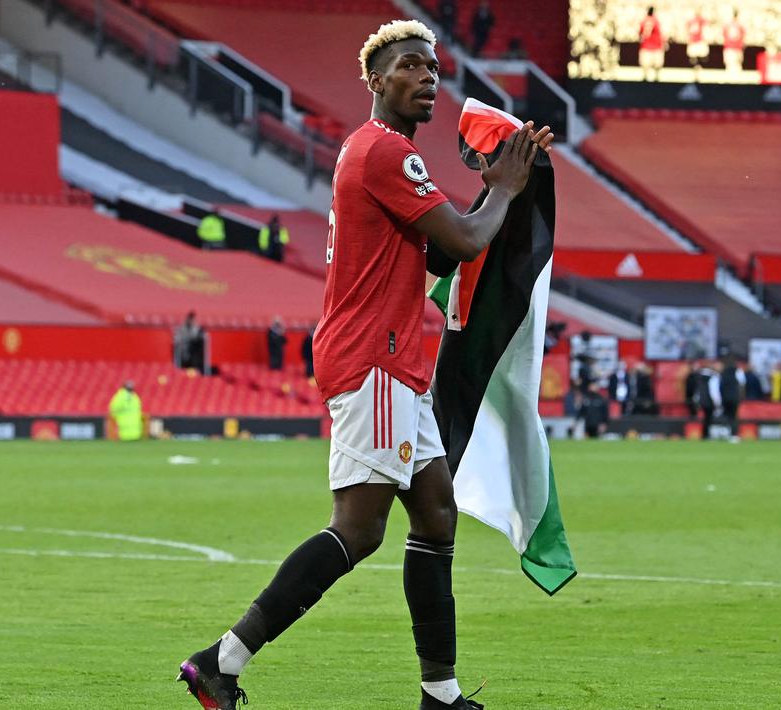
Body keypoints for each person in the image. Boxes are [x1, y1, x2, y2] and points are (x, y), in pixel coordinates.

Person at [176, 20, 553, 710]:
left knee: (436, 515)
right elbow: (467, 241)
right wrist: (501, 190)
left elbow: (444, 250)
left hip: (396, 363)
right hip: (374, 359)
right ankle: (220, 661)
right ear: (376, 81)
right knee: (358, 528)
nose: (426, 77)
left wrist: (497, 188)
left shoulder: (380, 153)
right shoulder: (384, 152)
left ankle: (440, 694)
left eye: (432, 69)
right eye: (409, 66)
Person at [718, 355, 744, 439]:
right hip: (734, 397)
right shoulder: (738, 371)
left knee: (725, 415)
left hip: (725, 397)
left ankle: (723, 433)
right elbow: (742, 384)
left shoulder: (723, 372)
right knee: (733, 416)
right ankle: (734, 435)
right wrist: (740, 396)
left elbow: (720, 386)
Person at [638, 6, 665, 82]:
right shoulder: (656, 21)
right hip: (656, 45)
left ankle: (645, 77)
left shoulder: (643, 21)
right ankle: (656, 78)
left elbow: (640, 33)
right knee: (657, 65)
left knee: (645, 64)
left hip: (646, 45)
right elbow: (660, 33)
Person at [685, 10, 709, 82]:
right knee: (695, 60)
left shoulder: (700, 20)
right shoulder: (695, 21)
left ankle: (698, 73)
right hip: (696, 42)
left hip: (698, 42)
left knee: (699, 59)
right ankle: (696, 73)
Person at [722, 9, 745, 74]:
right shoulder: (728, 25)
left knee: (736, 67)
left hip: (735, 48)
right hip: (730, 47)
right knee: (731, 66)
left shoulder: (739, 25)